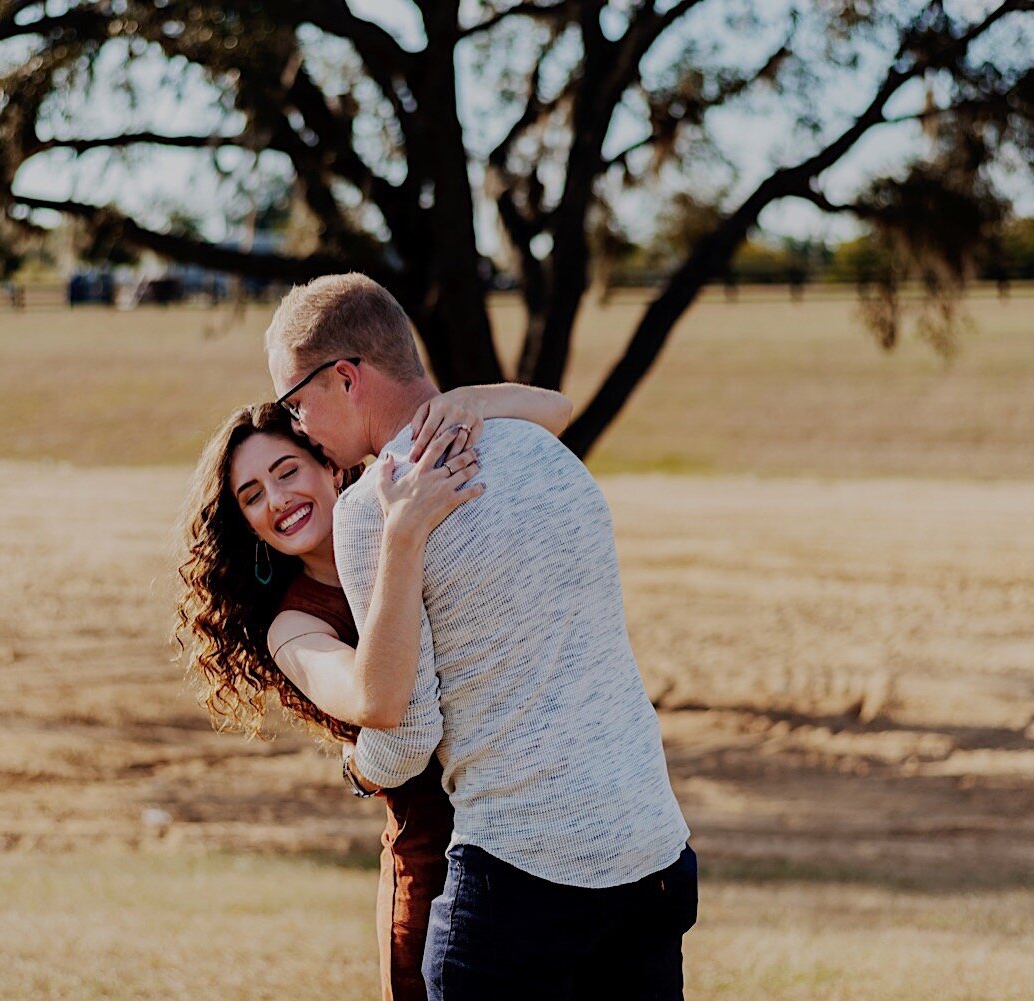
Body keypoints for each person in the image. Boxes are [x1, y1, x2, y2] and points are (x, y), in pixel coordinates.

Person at [265, 273, 696, 1000]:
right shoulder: (541, 445)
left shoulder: (376, 506)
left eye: (295, 402)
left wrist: (356, 766)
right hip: (652, 846)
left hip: (527, 875)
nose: (298, 425)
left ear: (346, 377)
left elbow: (405, 733)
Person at [174, 386, 571, 1000]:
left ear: (331, 465)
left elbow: (556, 412)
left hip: (538, 835)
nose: (278, 500)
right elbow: (375, 699)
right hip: (436, 866)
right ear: (247, 523)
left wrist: (468, 401)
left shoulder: (410, 504)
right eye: (253, 496)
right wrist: (363, 768)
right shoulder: (294, 625)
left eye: (288, 471)